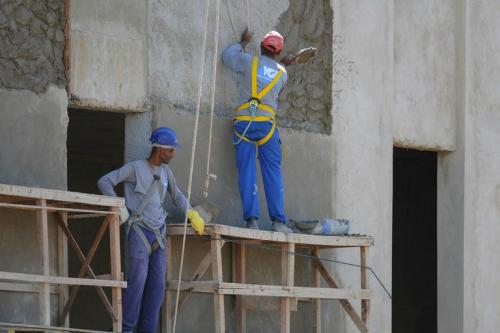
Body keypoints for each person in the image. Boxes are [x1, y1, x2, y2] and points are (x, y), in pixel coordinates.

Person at [97, 127, 204, 333]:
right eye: (170, 150)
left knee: (156, 288)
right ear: (159, 149)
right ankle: (127, 330)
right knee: (137, 284)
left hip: (159, 234)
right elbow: (105, 182)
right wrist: (119, 207)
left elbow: (177, 195)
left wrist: (192, 213)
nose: (173, 154)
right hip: (139, 232)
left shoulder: (166, 172)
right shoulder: (135, 168)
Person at [222, 29, 295, 233]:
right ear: (278, 53)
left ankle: (251, 221)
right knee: (272, 172)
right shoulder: (283, 73)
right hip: (266, 127)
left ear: (261, 47)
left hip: (243, 124)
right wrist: (283, 65)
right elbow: (276, 83)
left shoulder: (249, 61)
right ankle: (278, 222)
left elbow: (226, 58)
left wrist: (242, 43)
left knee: (247, 171)